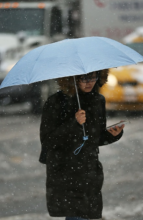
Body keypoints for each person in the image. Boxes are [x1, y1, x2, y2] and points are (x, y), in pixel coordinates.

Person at [39, 69, 124, 220]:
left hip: (89, 170)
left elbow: (93, 139)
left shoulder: (98, 100)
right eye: (84, 78)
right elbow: (48, 140)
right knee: (77, 216)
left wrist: (112, 135)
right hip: (65, 171)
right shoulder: (55, 102)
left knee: (86, 215)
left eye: (93, 77)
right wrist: (74, 123)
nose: (89, 82)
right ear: (72, 79)